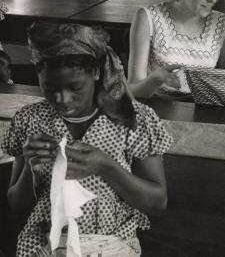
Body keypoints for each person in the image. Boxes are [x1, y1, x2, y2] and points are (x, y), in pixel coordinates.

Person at [1, 21, 172, 257]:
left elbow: (157, 203)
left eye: (75, 87)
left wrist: (106, 166)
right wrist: (31, 170)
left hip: (112, 244)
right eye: (50, 88)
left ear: (96, 72)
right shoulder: (30, 120)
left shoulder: (132, 119)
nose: (63, 99)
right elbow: (16, 206)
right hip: (45, 245)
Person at [128, 0, 225, 99]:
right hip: (157, 112)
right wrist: (155, 79)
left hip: (203, 113)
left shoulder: (221, 24)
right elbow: (133, 90)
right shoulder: (147, 18)